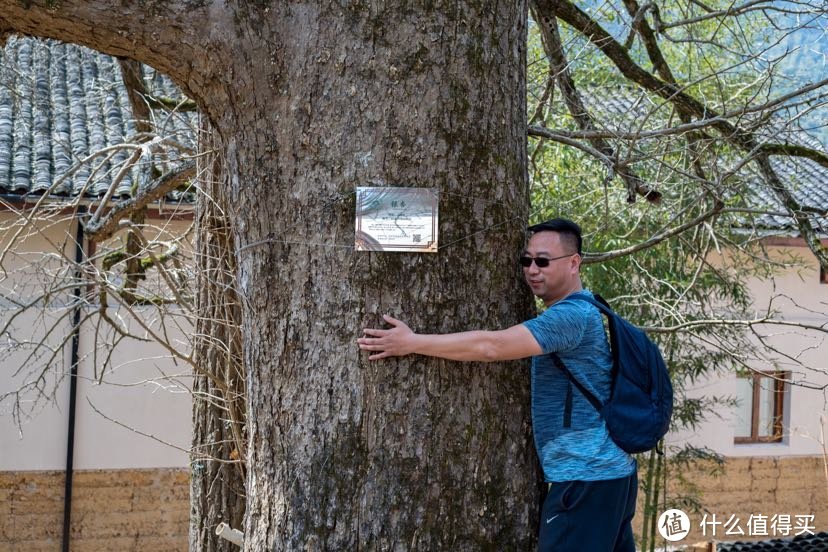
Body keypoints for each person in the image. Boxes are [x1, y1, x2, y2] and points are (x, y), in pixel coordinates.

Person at [357, 218, 637, 552]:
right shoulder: (585, 308)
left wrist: (411, 342)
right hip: (609, 474)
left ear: (574, 263)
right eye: (527, 260)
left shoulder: (571, 316)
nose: (532, 270)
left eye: (543, 261)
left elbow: (492, 347)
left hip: (585, 476)